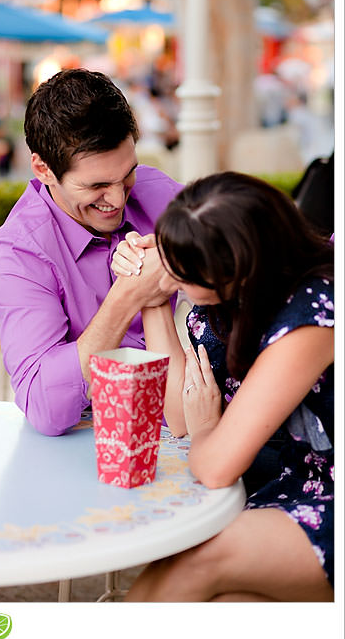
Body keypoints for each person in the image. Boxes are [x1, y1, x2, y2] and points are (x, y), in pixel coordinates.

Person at [112, 172, 333, 602]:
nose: (170, 274)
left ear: (234, 269)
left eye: (182, 271)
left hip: (327, 497)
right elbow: (178, 412)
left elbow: (215, 465)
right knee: (220, 608)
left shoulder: (314, 313)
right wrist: (151, 296)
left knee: (196, 558)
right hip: (293, 486)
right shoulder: (224, 304)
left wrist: (207, 430)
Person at [0, 68, 184, 438]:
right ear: (44, 169)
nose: (119, 198)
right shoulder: (17, 253)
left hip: (180, 424)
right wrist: (127, 298)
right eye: (97, 185)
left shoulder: (155, 191)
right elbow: (46, 411)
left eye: (127, 174)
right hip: (85, 445)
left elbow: (246, 242)